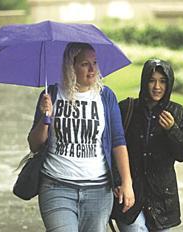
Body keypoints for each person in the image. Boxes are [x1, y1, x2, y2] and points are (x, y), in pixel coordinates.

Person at [27, 42, 134, 232]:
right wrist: (45, 118)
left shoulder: (105, 97)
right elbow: (35, 145)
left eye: (95, 62)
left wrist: (127, 183)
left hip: (99, 191)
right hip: (57, 186)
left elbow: (118, 142)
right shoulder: (51, 94)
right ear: (71, 66)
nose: (93, 69)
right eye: (85, 64)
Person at [114, 59, 183, 231]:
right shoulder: (127, 109)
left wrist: (172, 130)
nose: (157, 86)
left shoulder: (177, 113)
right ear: (144, 81)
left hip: (163, 201)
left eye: (163, 81)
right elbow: (111, 148)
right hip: (130, 197)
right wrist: (117, 182)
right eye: (152, 80)